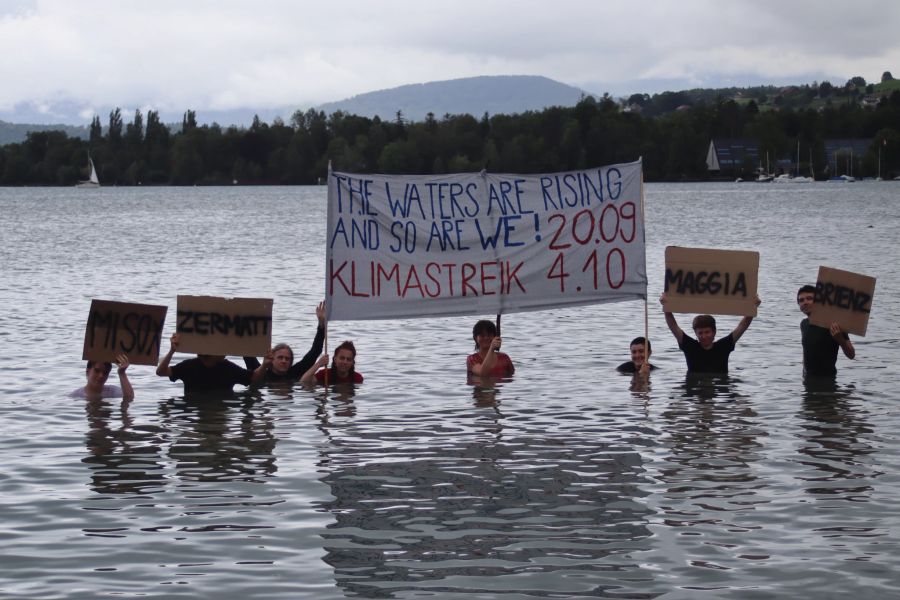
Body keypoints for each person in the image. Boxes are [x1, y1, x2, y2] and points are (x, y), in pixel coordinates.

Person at [660, 292, 760, 374]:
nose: (704, 336)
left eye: (707, 332)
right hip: (694, 389)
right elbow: (673, 326)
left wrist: (753, 306)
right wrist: (666, 306)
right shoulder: (690, 347)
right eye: (700, 333)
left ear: (714, 332)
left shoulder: (723, 346)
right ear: (695, 333)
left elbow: (742, 326)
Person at [156, 333, 266, 394]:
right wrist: (172, 351)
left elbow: (254, 377)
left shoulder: (229, 368)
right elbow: (161, 372)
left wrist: (265, 363)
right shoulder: (189, 366)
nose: (224, 350)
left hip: (219, 414)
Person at [243, 302, 326, 382]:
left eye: (287, 359)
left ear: (291, 362)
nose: (284, 361)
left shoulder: (296, 372)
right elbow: (246, 352)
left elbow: (315, 351)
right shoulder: (260, 373)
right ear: (272, 359)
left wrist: (321, 325)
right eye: (280, 357)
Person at [797, 284, 855, 377]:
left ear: (818, 301)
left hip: (827, 382)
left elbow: (851, 355)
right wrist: (803, 374)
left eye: (809, 298)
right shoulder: (804, 324)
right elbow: (806, 351)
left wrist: (840, 339)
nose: (805, 302)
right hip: (808, 381)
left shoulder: (833, 323)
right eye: (801, 300)